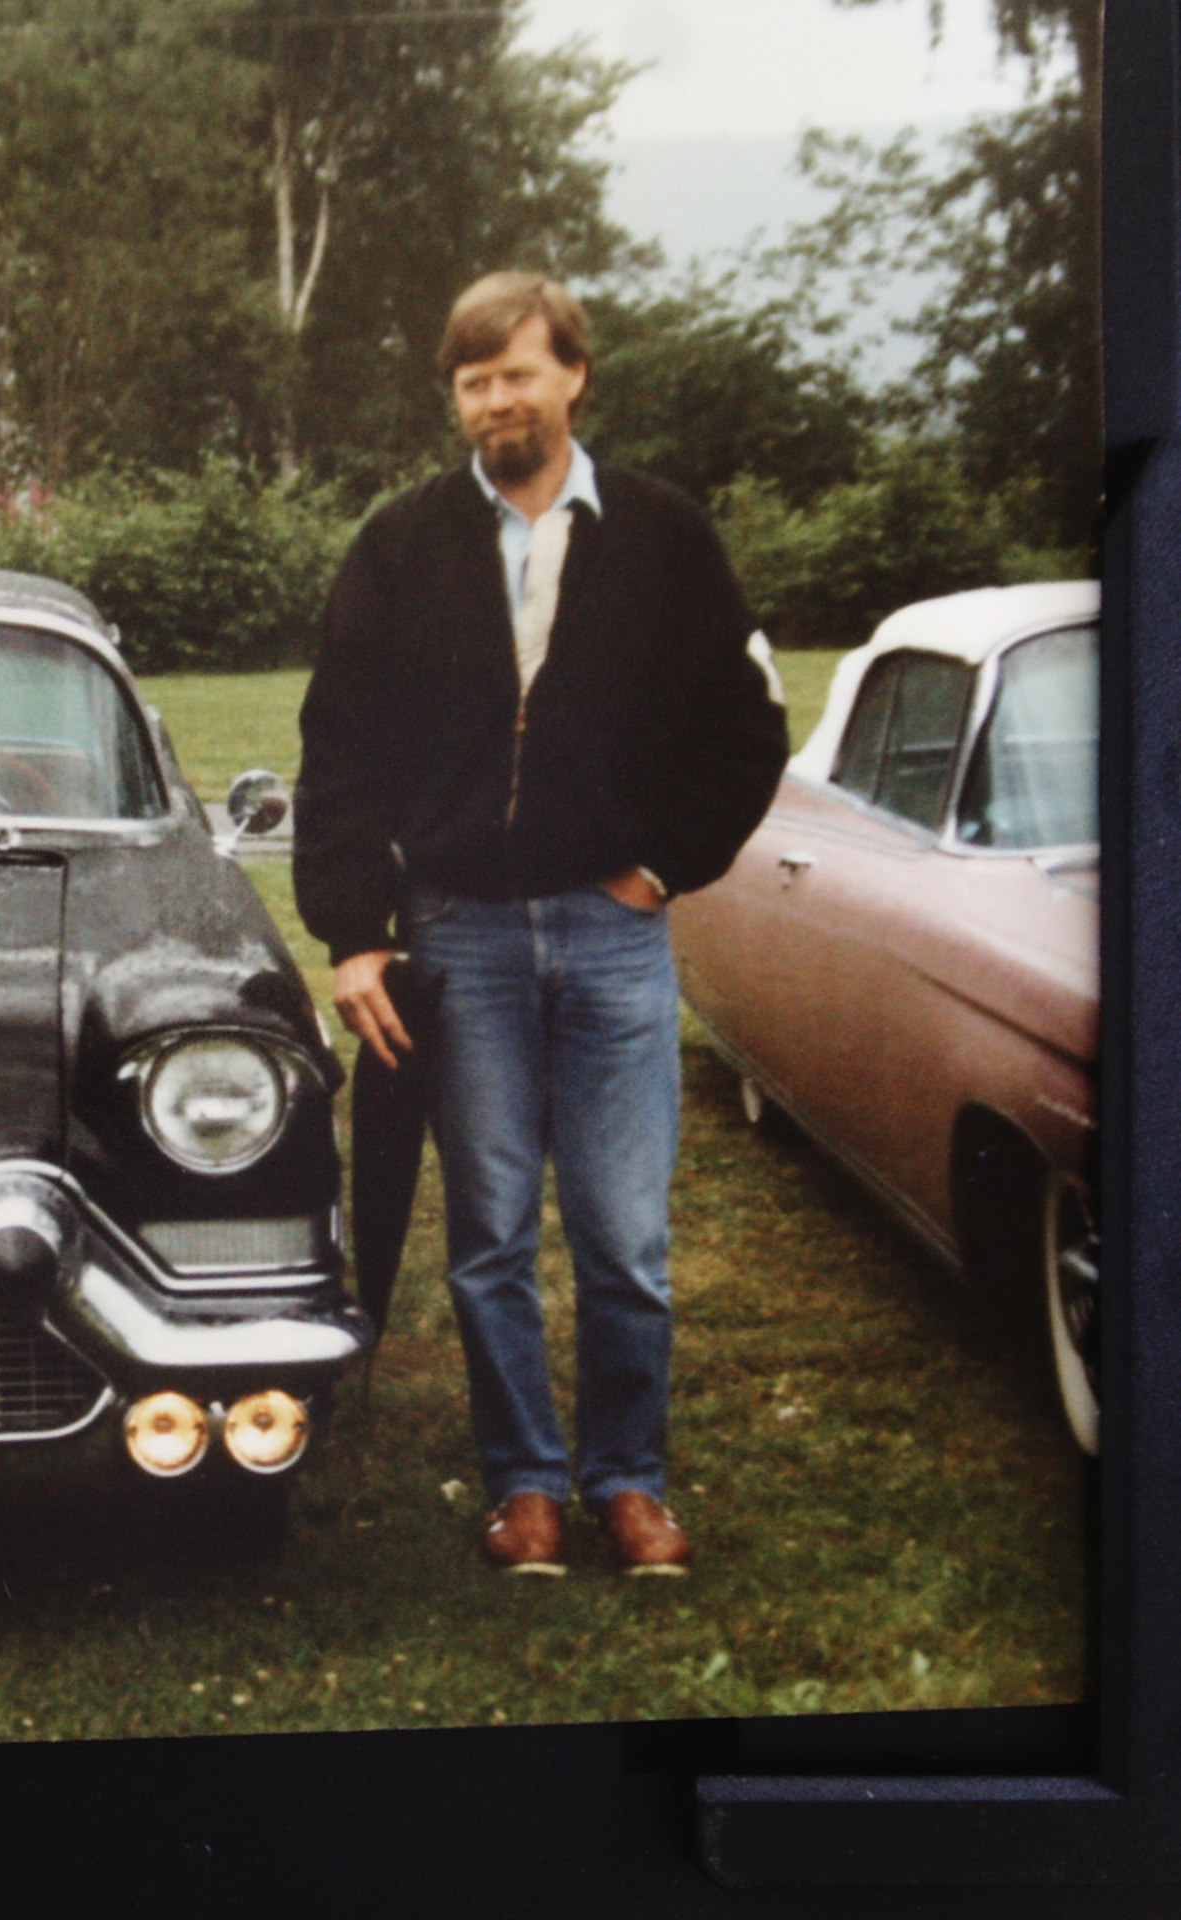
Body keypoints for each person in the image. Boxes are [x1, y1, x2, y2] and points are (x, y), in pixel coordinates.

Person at [293, 273, 788, 1576]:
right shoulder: (399, 545)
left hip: (611, 936)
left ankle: (626, 1479)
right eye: (472, 383)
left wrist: (660, 868)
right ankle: (523, 1484)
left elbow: (746, 728)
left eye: (516, 373)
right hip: (458, 939)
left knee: (625, 1239)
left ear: (573, 374)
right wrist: (352, 933)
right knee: (488, 1240)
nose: (495, 401)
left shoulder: (663, 536)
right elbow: (336, 748)